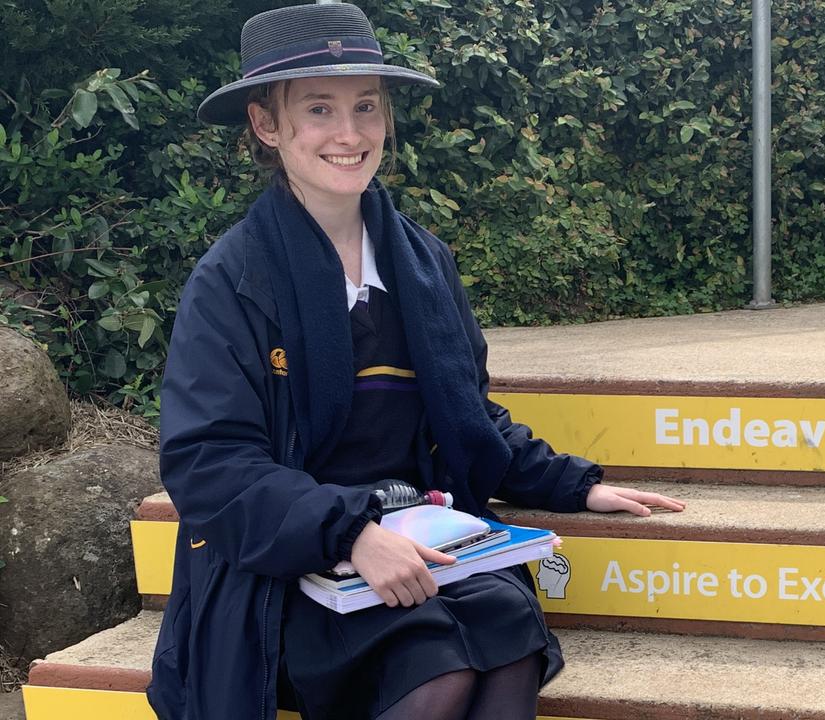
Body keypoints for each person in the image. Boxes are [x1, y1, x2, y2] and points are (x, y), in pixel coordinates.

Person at [145, 4, 684, 720]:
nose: (350, 133)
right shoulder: (232, 280)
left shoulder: (423, 262)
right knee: (438, 670)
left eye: (367, 106)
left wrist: (571, 485)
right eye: (319, 109)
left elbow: (469, 415)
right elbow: (207, 461)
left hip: (423, 537)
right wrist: (350, 535)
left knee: (510, 633)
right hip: (293, 565)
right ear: (266, 126)